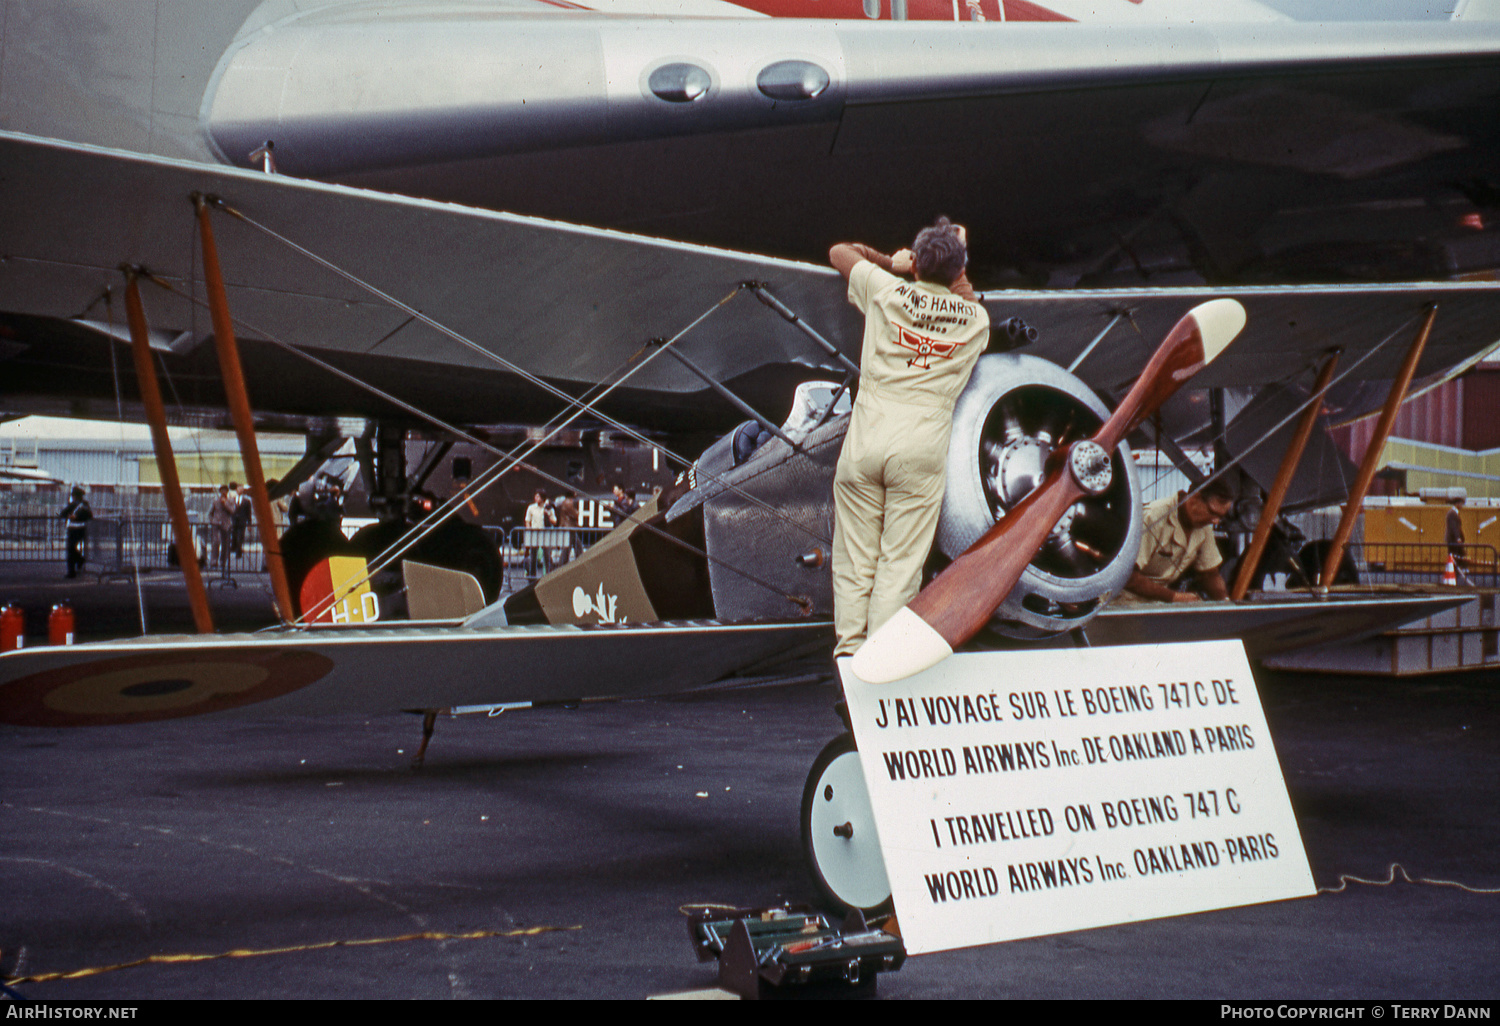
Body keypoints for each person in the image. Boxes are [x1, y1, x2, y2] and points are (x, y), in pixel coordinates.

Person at [828, 217, 991, 658]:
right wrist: (957, 257)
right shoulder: (976, 320)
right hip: (920, 453)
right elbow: (964, 293)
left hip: (865, 444)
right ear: (959, 269)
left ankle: (847, 653)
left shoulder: (885, 289)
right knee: (899, 567)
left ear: (916, 263)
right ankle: (878, 663)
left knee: (855, 561)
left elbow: (841, 251)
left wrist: (894, 263)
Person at [1120, 481, 1234, 603]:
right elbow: (1126, 575)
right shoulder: (1154, 516)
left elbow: (1209, 574)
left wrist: (1225, 602)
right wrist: (1174, 597)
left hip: (1157, 603)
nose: (1216, 521)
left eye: (1220, 516)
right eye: (1212, 512)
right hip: (1121, 602)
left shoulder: (1204, 525)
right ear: (1195, 498)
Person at [59, 486, 92, 578]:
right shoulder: (84, 504)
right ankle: (76, 564)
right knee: (71, 549)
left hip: (76, 529)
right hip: (78, 529)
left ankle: (72, 570)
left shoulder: (75, 505)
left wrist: (75, 517)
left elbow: (62, 514)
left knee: (70, 549)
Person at [524, 489, 555, 575]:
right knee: (533, 556)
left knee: (547, 556)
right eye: (535, 496)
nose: (536, 498)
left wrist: (548, 515)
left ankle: (548, 575)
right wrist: (529, 532)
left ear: (542, 498)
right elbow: (527, 521)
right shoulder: (531, 508)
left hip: (545, 534)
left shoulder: (548, 508)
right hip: (535, 534)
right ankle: (532, 575)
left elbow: (554, 521)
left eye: (538, 496)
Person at [208, 484, 235, 570]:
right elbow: (210, 513)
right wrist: (212, 521)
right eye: (222, 490)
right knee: (216, 542)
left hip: (226, 524)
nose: (223, 492)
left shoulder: (230, 500)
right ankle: (213, 561)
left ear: (227, 492)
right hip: (216, 524)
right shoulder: (215, 501)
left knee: (225, 544)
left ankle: (223, 561)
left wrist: (225, 503)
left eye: (225, 490)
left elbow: (232, 511)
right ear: (220, 491)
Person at [229, 481, 252, 556]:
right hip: (234, 521)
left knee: (240, 536)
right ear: (236, 490)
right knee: (234, 536)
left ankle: (238, 551)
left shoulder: (246, 501)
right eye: (239, 488)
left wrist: (249, 524)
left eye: (241, 488)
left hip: (242, 522)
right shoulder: (232, 499)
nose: (240, 490)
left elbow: (249, 513)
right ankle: (234, 548)